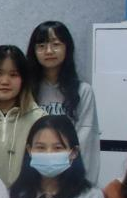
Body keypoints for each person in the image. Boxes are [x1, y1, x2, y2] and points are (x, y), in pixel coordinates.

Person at [26, 21, 100, 184]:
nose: (49, 51)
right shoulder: (26, 91)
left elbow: (86, 141)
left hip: (71, 177)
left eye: (56, 44)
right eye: (41, 45)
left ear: (67, 48)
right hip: (32, 175)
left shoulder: (83, 91)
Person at [0, 45, 46, 187]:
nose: (5, 81)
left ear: (24, 80)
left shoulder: (40, 120)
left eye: (13, 75)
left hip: (25, 197)